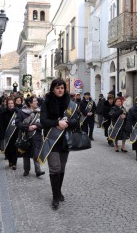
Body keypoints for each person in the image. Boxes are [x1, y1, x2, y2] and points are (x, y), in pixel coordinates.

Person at [38, 78, 79, 209]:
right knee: (55, 167)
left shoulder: (70, 103)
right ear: (53, 89)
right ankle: (55, 197)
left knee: (62, 167)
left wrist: (67, 123)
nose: (60, 90)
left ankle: (58, 191)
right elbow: (43, 121)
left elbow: (77, 121)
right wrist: (57, 123)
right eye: (57, 88)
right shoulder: (46, 102)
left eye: (62, 87)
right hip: (52, 139)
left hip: (65, 140)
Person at [15, 96, 45, 177]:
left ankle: (38, 170)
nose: (37, 102)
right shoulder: (22, 112)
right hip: (25, 136)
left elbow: (44, 122)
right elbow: (17, 123)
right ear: (30, 103)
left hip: (37, 135)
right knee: (26, 154)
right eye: (35, 101)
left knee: (36, 153)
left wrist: (36, 126)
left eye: (36, 101)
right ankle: (26, 170)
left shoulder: (40, 112)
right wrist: (27, 127)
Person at [0, 98, 19, 170]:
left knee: (15, 149)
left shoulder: (17, 113)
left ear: (14, 104)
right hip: (6, 134)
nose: (10, 105)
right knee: (8, 149)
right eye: (9, 103)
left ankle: (14, 163)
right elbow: (0, 125)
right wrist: (1, 135)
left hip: (15, 134)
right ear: (7, 104)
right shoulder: (3, 113)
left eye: (12, 103)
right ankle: (10, 161)